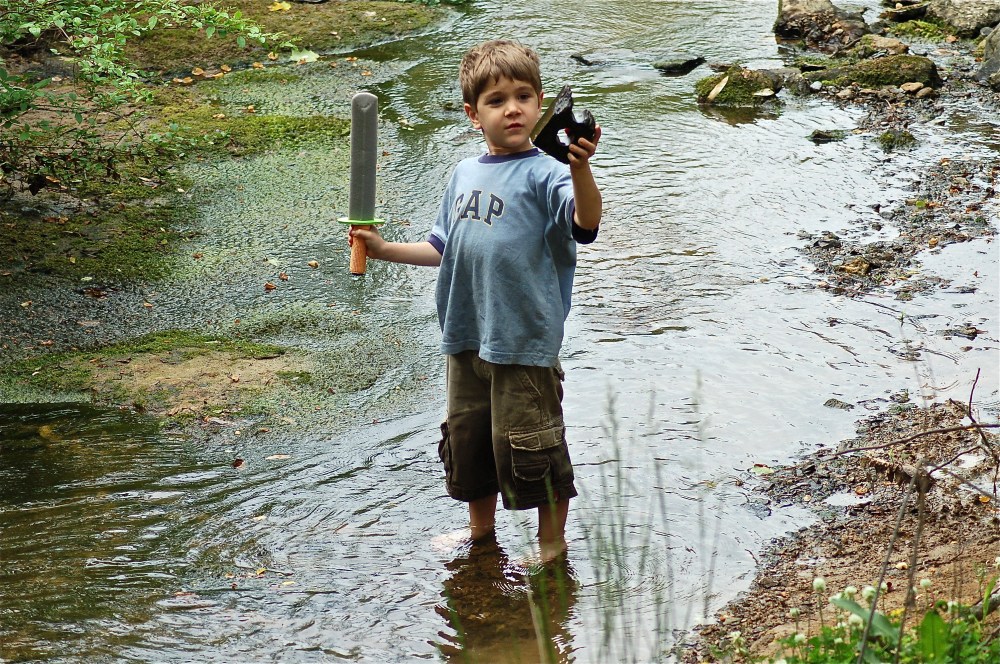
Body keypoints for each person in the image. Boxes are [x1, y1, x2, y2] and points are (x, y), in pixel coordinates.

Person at [349, 39, 602, 562]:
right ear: (472, 113)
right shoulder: (463, 174)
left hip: (523, 339)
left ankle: (551, 544)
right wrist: (382, 248)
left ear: (539, 106)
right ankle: (481, 535)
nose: (513, 108)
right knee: (470, 443)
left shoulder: (548, 173)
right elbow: (441, 248)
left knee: (535, 447)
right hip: (464, 335)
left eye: (525, 96)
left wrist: (580, 167)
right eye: (496, 100)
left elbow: (586, 223)